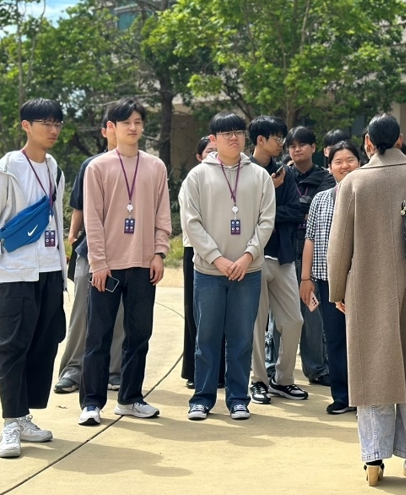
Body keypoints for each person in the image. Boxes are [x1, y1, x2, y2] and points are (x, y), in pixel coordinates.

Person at [328, 114, 406, 485]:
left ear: (368, 142)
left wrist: (338, 291)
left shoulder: (354, 182)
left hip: (368, 289)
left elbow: (340, 247)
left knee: (374, 374)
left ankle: (373, 461)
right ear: (400, 139)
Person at [0, 98, 67, 458]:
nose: (53, 130)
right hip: (15, 275)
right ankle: (10, 422)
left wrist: (58, 265)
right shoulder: (7, 168)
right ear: (25, 125)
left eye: (57, 123)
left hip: (49, 271)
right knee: (10, 345)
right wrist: (4, 256)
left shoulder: (54, 166)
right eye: (45, 123)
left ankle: (24, 416)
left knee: (43, 342)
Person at [79, 98, 172, 426]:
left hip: (144, 264)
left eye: (137, 122)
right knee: (98, 336)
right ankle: (91, 403)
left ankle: (130, 398)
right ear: (112, 128)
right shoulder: (98, 167)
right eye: (125, 123)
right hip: (107, 266)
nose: (133, 128)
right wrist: (99, 263)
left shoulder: (155, 167)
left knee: (139, 334)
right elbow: (93, 218)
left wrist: (159, 253)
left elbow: (163, 213)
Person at [180, 113, 275, 421]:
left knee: (241, 337)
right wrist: (217, 258)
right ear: (214, 139)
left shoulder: (259, 176)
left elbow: (266, 221)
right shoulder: (197, 176)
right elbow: (191, 223)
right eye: (226, 133)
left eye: (238, 132)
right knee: (206, 336)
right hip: (209, 272)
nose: (233, 138)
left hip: (248, 271)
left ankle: (238, 398)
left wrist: (247, 256)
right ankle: (202, 398)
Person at [55, 110, 124, 395]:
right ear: (107, 130)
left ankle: (114, 370)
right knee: (83, 310)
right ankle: (73, 368)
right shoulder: (91, 165)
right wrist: (72, 237)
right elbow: (79, 206)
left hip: (128, 251)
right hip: (90, 248)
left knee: (119, 314)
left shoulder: (145, 166)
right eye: (117, 125)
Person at [247, 116, 306, 404]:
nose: (281, 143)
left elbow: (296, 211)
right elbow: (245, 216)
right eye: (276, 137)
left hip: (282, 257)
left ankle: (283, 379)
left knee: (293, 320)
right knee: (256, 324)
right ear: (260, 140)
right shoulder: (243, 171)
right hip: (253, 258)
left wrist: (268, 213)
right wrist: (270, 191)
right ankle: (258, 380)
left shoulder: (286, 171)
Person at [302, 140, 362, 414]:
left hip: (361, 282)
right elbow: (310, 239)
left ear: (360, 164)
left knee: (362, 339)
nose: (344, 166)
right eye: (338, 161)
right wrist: (306, 278)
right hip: (326, 281)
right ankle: (342, 396)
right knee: (335, 339)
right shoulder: (321, 199)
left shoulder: (368, 196)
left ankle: (365, 395)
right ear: (330, 167)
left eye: (350, 159)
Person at [288, 126, 336, 386]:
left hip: (314, 253)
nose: (297, 149)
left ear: (314, 148)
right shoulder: (283, 174)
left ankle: (316, 368)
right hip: (286, 250)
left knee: (313, 315)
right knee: (284, 317)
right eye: (292, 145)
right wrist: (297, 209)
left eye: (302, 144)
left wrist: (292, 207)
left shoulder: (325, 177)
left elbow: (316, 206)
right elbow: (280, 208)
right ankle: (277, 371)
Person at [182, 136, 225, 390]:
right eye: (209, 151)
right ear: (199, 156)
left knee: (221, 315)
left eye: (217, 151)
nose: (214, 155)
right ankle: (195, 371)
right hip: (195, 250)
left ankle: (221, 371)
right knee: (196, 314)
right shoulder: (195, 178)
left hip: (224, 251)